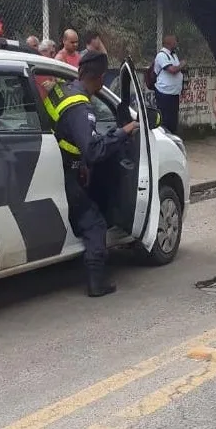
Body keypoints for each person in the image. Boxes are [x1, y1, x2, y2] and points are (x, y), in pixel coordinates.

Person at [44, 50, 139, 297]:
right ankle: (97, 282)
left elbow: (67, 135)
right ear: (98, 79)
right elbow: (93, 151)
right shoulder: (79, 105)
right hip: (68, 173)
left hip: (58, 165)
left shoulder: (60, 91)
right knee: (95, 223)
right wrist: (123, 132)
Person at [153, 34, 184, 134]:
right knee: (164, 120)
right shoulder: (161, 55)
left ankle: (172, 138)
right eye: (175, 41)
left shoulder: (173, 55)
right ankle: (164, 138)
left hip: (174, 93)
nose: (176, 43)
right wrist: (182, 64)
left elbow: (177, 69)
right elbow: (172, 70)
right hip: (164, 93)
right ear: (169, 43)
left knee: (173, 120)